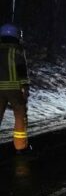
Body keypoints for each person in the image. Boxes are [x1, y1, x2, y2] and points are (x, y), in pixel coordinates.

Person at [0, 24, 31, 154]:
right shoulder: (17, 50)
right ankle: (20, 146)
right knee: (20, 116)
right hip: (14, 88)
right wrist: (25, 87)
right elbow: (21, 70)